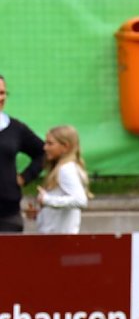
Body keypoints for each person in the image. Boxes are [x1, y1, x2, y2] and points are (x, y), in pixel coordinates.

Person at [0, 74, 44, 233]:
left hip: (7, 215)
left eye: (2, 93)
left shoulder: (15, 128)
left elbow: (43, 152)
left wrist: (25, 177)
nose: (0, 98)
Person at [36, 125, 92, 234]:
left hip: (60, 239)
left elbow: (80, 200)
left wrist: (47, 200)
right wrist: (39, 214)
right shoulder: (63, 168)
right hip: (55, 238)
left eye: (50, 143)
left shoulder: (66, 169)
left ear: (65, 147)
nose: (45, 147)